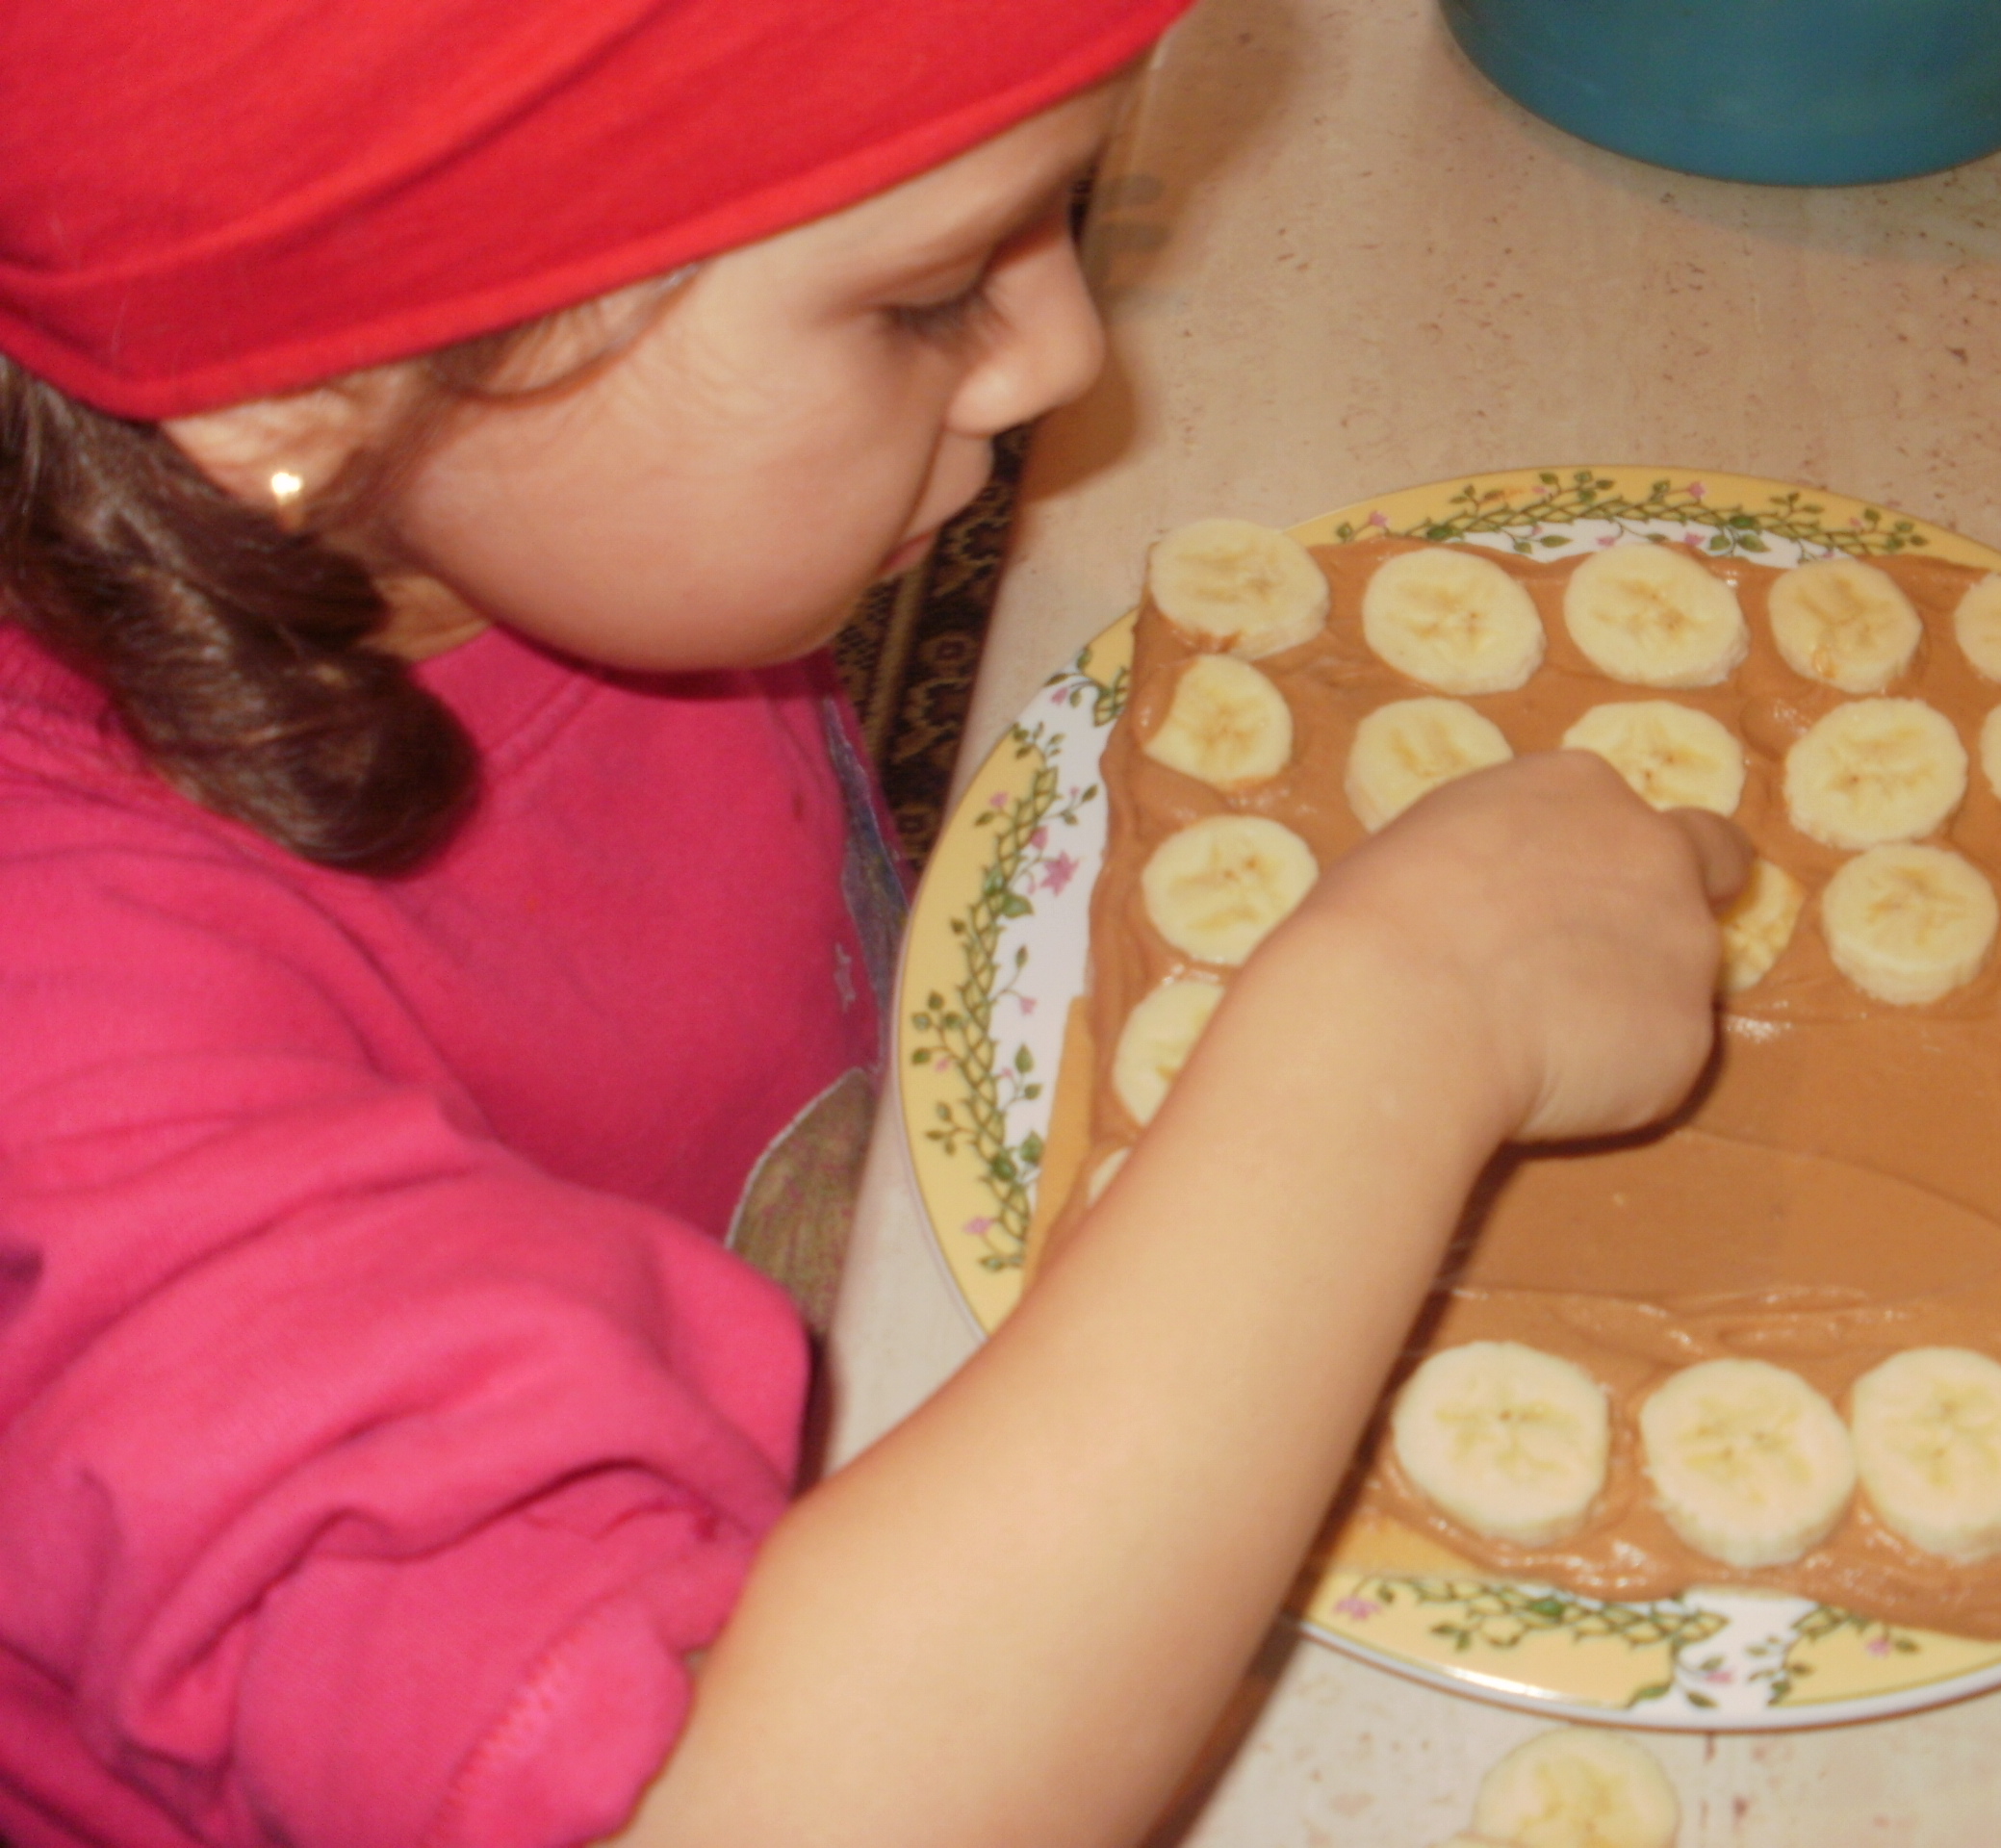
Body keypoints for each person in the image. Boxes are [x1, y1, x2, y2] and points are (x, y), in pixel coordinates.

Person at [0, 2, 1750, 1843]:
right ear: (297, 380)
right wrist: (1409, 1017)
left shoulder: (515, 521)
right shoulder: (67, 1053)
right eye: (924, 299)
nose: (1061, 351)